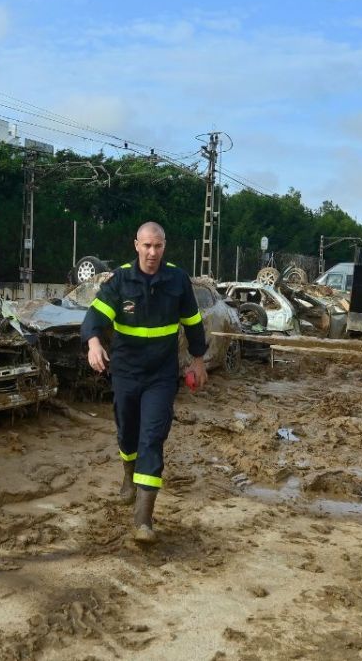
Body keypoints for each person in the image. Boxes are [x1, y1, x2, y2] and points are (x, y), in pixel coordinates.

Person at [80, 221, 208, 543]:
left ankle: (143, 520)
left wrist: (198, 359)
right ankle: (128, 477)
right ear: (136, 244)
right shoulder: (121, 280)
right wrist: (94, 343)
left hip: (161, 375)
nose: (152, 252)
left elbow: (193, 322)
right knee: (127, 431)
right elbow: (94, 317)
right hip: (125, 371)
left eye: (159, 246)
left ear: (165, 247)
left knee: (152, 437)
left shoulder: (177, 279)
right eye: (147, 246)